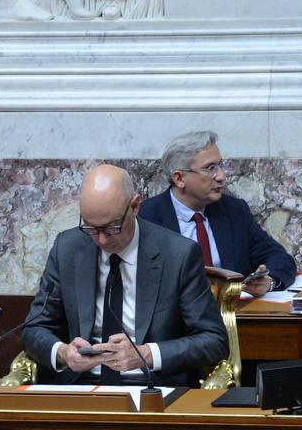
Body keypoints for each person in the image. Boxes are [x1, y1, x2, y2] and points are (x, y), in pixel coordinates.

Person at [21, 164, 228, 388]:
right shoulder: (68, 249)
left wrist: (146, 354)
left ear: (135, 206)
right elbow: (34, 329)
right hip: (80, 385)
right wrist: (63, 353)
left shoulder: (178, 255)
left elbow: (214, 340)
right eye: (90, 228)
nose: (100, 240)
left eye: (111, 228)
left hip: (153, 388)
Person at [139, 130, 297, 297]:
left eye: (220, 165)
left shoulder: (233, 211)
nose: (221, 176)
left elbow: (279, 258)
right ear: (179, 178)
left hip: (234, 316)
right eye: (210, 168)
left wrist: (269, 282)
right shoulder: (146, 218)